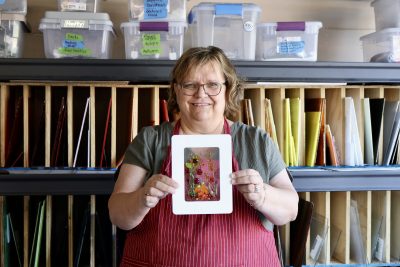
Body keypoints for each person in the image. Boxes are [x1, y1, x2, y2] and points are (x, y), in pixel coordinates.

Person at [108, 46, 299, 267]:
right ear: (176, 91)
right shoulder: (150, 140)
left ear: (228, 90)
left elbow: (291, 209)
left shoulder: (256, 141)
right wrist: (141, 199)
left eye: (212, 85)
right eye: (189, 85)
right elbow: (117, 214)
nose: (201, 94)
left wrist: (262, 196)